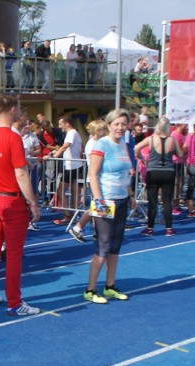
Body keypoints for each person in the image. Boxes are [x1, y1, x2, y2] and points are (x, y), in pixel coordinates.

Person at [0, 95, 41, 316]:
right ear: (12, 110)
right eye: (20, 109)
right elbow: (21, 174)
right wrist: (33, 203)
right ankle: (14, 302)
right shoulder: (13, 139)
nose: (21, 112)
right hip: (11, 200)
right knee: (13, 254)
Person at [83, 109, 136, 304]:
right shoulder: (101, 144)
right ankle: (90, 289)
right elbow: (93, 175)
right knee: (103, 246)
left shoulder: (124, 144)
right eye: (117, 124)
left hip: (121, 199)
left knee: (115, 246)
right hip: (105, 201)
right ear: (109, 125)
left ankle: (110, 286)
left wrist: (130, 194)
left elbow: (125, 173)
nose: (121, 127)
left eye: (124, 124)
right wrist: (98, 200)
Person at [135, 117, 183, 236]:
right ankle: (169, 228)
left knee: (152, 200)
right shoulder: (172, 140)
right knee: (167, 200)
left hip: (153, 172)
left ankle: (150, 228)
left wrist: (141, 158)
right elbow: (180, 154)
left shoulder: (151, 139)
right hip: (168, 172)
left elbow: (136, 148)